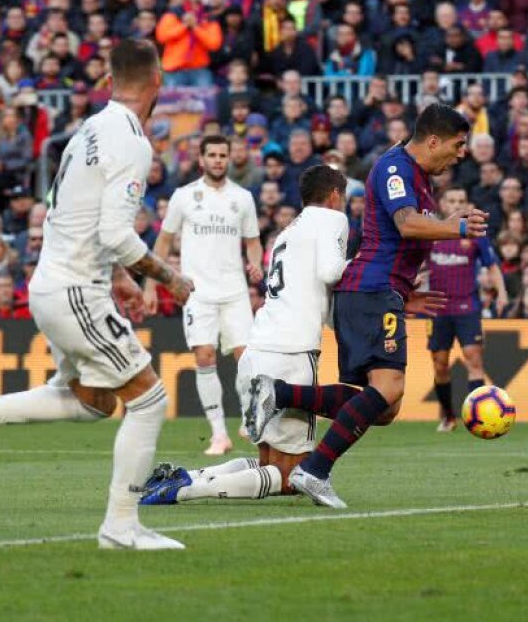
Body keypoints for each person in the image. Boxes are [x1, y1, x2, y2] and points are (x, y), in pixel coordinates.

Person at [0, 40, 196, 550]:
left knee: (93, 401)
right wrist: (169, 278)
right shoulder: (132, 140)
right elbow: (118, 234)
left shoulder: (89, 130)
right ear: (157, 80)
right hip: (76, 288)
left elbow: (74, 212)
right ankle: (120, 527)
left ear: (109, 79)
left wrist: (117, 275)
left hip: (55, 282)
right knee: (150, 399)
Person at [245, 104, 485, 508]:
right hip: (371, 290)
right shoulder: (396, 169)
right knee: (388, 388)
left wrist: (406, 292)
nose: (462, 153)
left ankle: (279, 393)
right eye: (458, 144)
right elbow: (406, 224)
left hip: (379, 291)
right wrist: (454, 226)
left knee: (384, 407)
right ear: (433, 140)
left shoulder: (419, 176)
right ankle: (314, 469)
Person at [142, 166, 350, 505]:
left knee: (269, 461)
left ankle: (188, 476)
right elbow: (331, 271)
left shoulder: (288, 231)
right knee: (288, 477)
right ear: (334, 196)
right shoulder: (332, 219)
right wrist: (369, 266)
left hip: (259, 347)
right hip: (293, 353)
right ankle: (186, 489)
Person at [146, 135, 263, 457]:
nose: (217, 160)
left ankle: (248, 417)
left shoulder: (243, 198)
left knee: (247, 358)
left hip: (235, 290)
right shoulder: (184, 197)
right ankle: (219, 434)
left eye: (222, 155)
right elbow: (164, 241)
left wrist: (255, 265)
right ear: (201, 159)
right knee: (204, 357)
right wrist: (152, 284)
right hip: (198, 291)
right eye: (211, 155)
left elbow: (253, 241)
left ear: (228, 159)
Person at [425, 185, 506, 432]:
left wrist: (501, 292)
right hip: (437, 309)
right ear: (442, 205)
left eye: (461, 199)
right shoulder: (430, 233)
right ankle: (448, 416)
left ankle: (477, 418)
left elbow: (491, 266)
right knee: (440, 364)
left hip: (466, 306)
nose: (457, 204)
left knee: (474, 358)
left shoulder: (475, 234)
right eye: (452, 200)